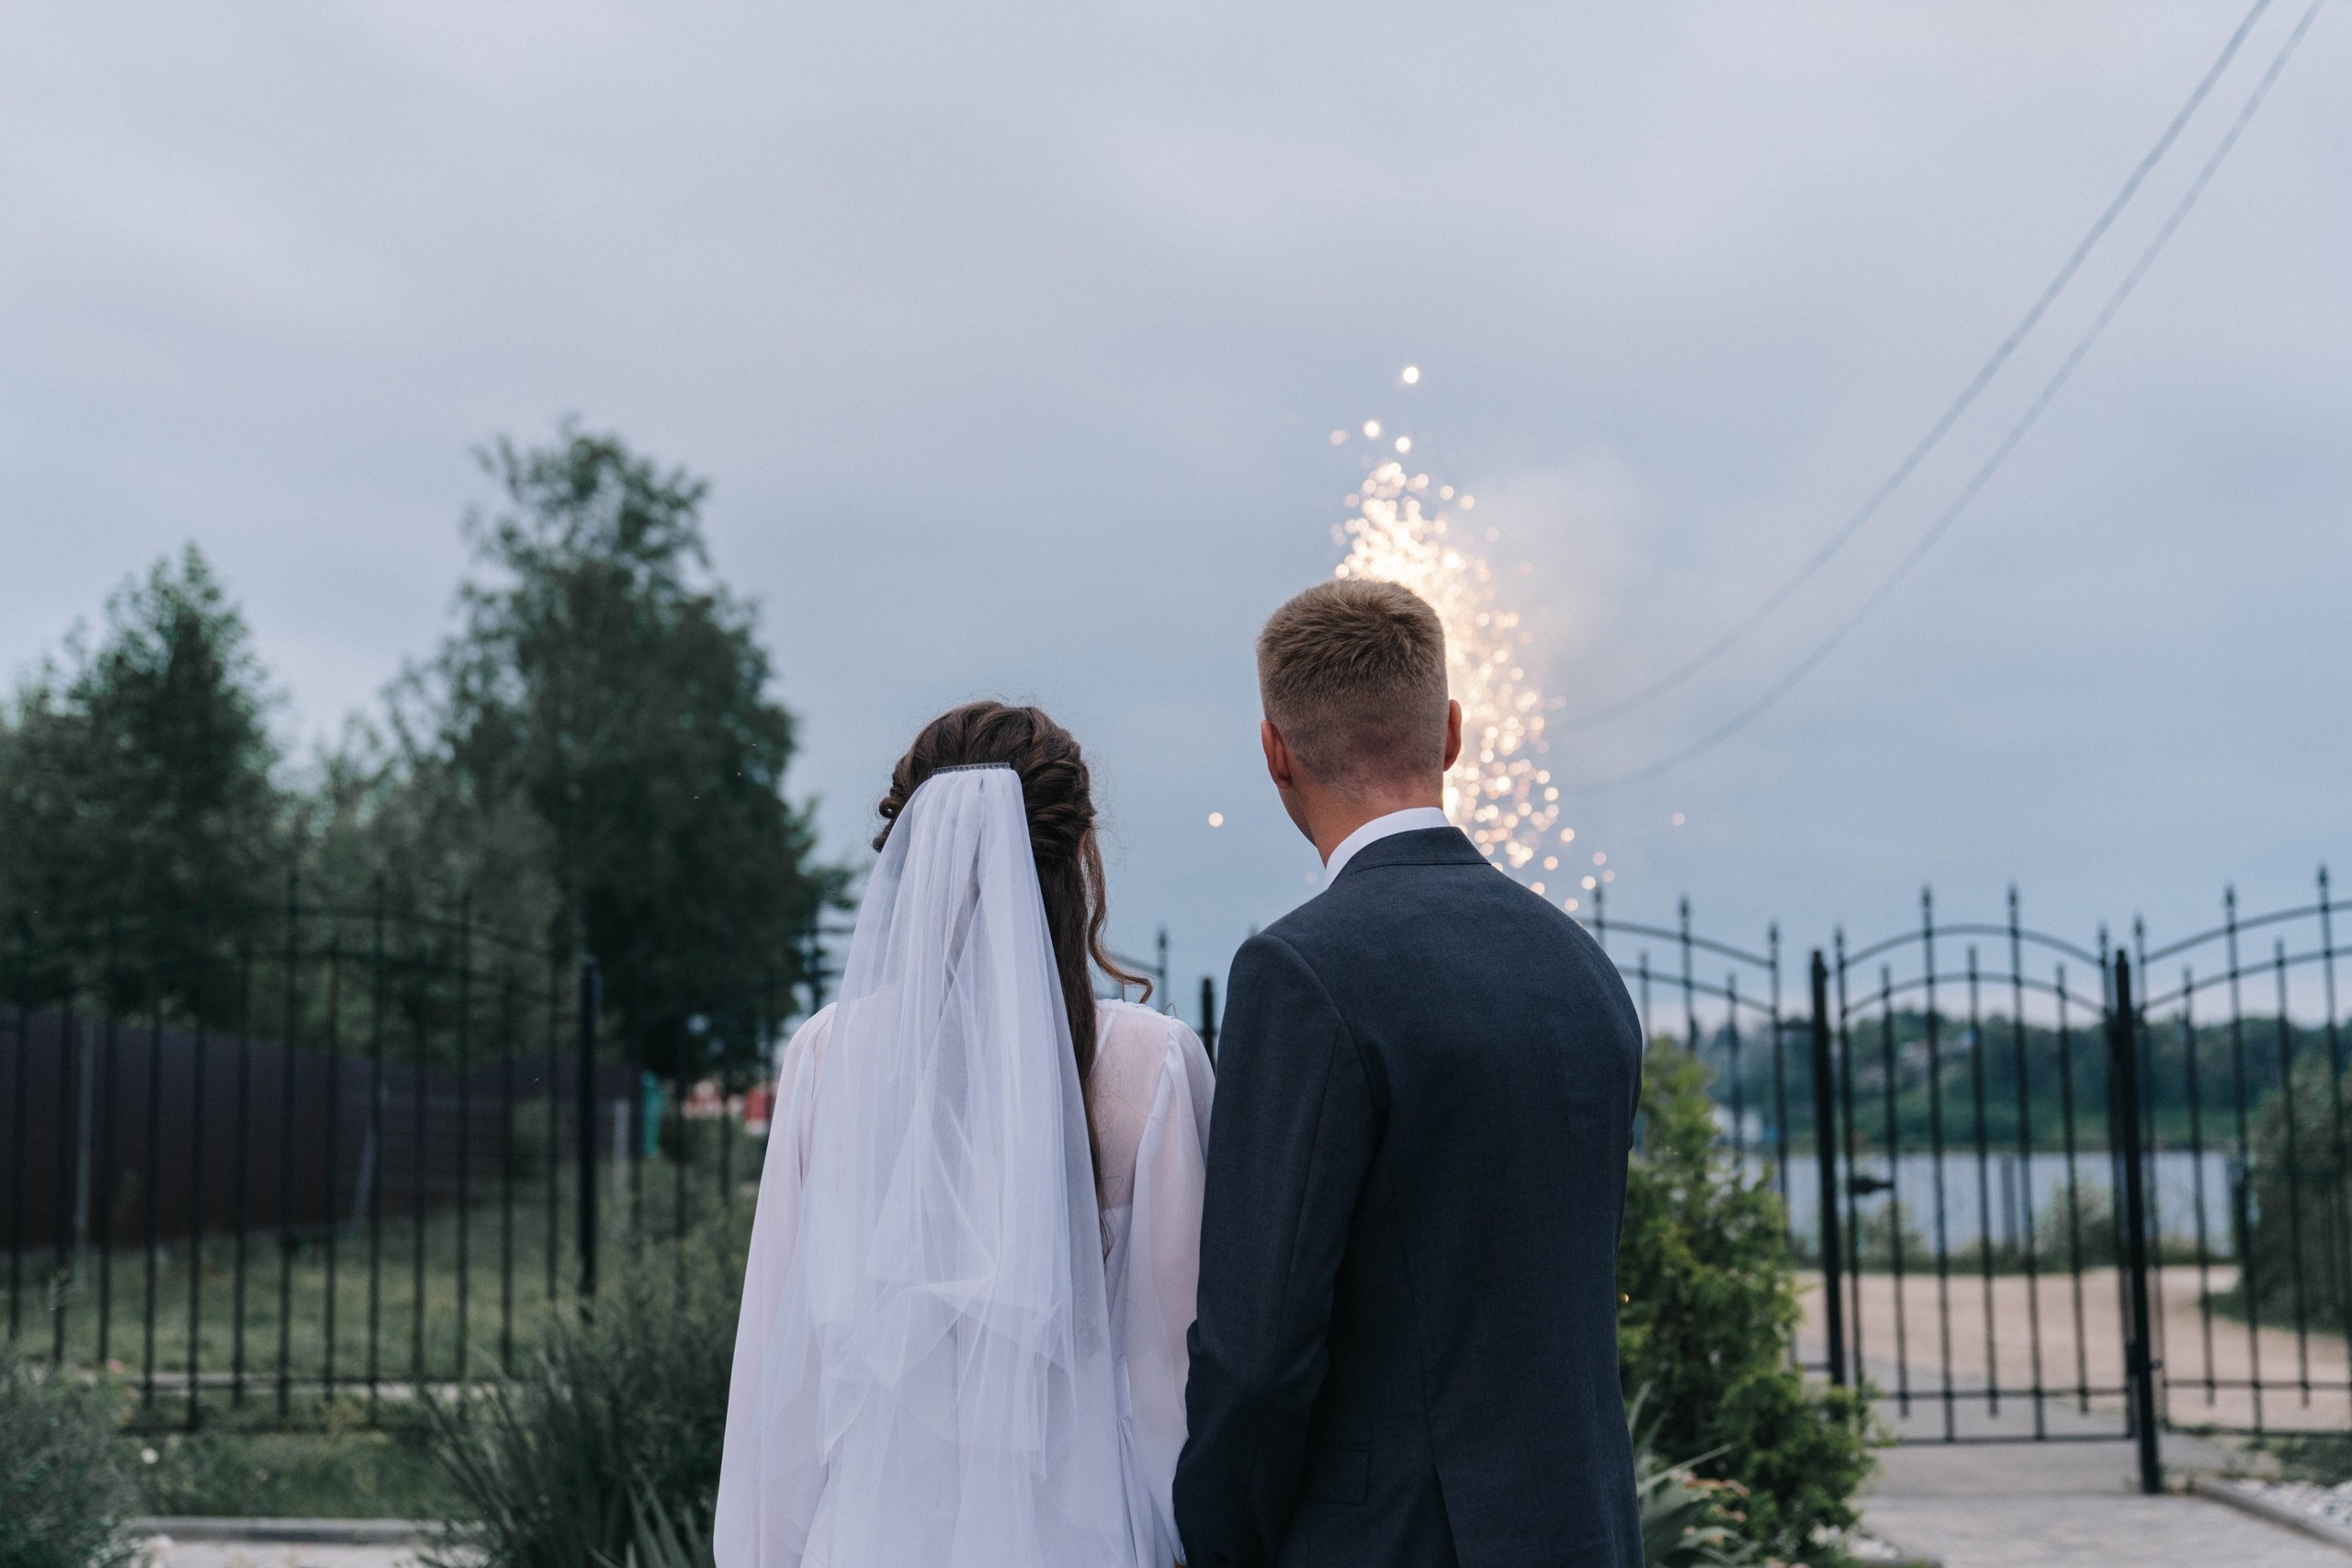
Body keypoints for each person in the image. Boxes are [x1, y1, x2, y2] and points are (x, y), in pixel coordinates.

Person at [1175, 580, 1645, 1568]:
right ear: (1453, 734)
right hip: (1586, 1531)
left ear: (1274, 753)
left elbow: (1257, 1356)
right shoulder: (1580, 966)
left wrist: (1219, 1541)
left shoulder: (1300, 973)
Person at [714, 702, 1214, 1568]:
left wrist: (765, 1551)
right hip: (1084, 1535)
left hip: (868, 1536)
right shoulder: (1155, 1061)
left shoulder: (828, 1057)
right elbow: (1174, 1369)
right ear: (1077, 858)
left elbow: (777, 1365)